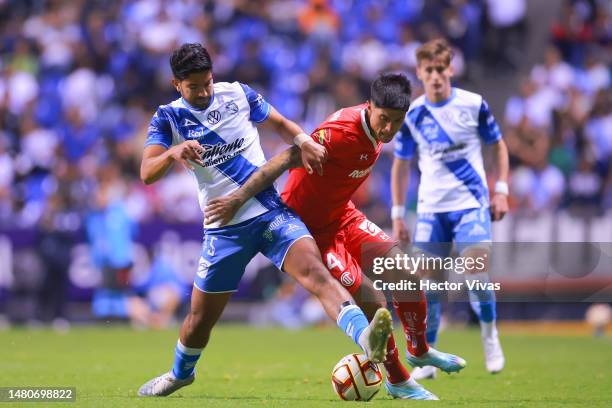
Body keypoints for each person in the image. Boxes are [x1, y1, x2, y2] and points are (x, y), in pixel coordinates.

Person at [137, 43, 394, 397]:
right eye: (194, 86)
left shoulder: (238, 94)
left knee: (316, 274)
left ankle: (365, 337)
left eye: (207, 83)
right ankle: (181, 374)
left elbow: (281, 123)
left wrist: (303, 141)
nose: (203, 92)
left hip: (270, 211)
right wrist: (173, 152)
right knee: (199, 321)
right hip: (224, 228)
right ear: (176, 85)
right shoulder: (168, 117)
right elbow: (147, 172)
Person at [205, 73, 467, 400]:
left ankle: (419, 350)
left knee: (407, 277)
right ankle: (398, 379)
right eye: (383, 119)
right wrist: (236, 199)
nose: (388, 129)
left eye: (396, 122)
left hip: (343, 215)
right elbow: (288, 157)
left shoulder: (382, 126)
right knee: (373, 300)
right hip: (311, 230)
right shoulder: (339, 135)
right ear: (369, 107)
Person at [390, 38, 509, 378]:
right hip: (430, 210)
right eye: (429, 70)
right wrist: (399, 212)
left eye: (441, 69)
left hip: (471, 203)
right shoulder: (411, 113)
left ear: (451, 69)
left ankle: (489, 335)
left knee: (476, 270)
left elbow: (499, 147)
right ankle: (428, 355)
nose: (436, 76)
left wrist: (500, 191)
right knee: (429, 285)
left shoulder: (473, 105)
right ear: (420, 73)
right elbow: (401, 165)